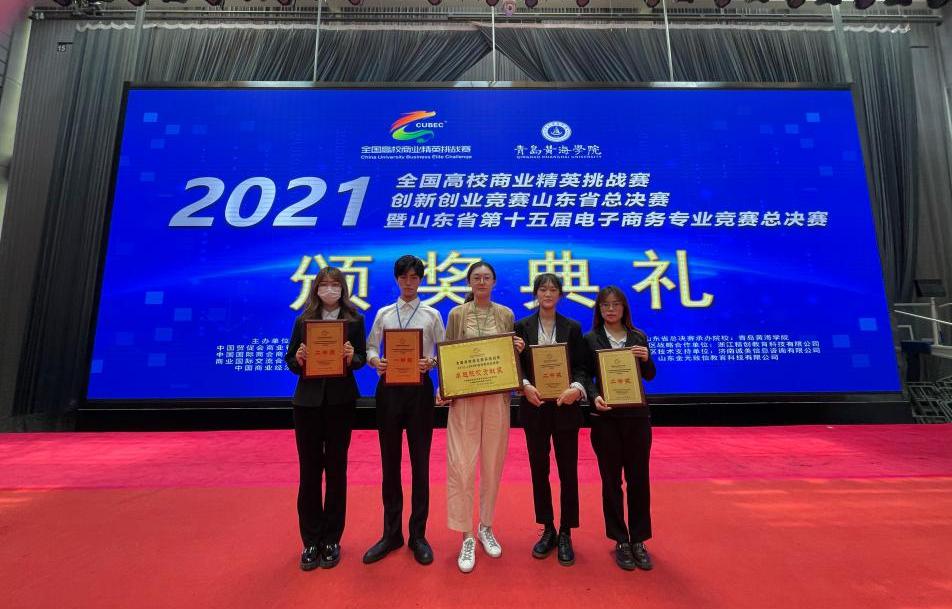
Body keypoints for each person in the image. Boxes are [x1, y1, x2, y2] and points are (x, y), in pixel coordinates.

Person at [440, 260, 524, 573]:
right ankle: (465, 535)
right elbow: (448, 354)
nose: (482, 282)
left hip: (496, 398)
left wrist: (517, 349)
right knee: (462, 465)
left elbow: (509, 358)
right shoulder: (456, 314)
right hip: (464, 398)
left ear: (494, 282)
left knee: (492, 463)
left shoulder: (506, 314)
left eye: (487, 277)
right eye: (477, 277)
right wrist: (445, 388)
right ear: (469, 282)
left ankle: (485, 526)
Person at [362, 255, 445, 566]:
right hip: (389, 391)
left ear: (420, 280)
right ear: (397, 280)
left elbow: (444, 350)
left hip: (420, 391)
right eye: (404, 277)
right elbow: (371, 347)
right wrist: (376, 361)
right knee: (390, 463)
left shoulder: (432, 314)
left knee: (420, 463)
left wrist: (431, 362)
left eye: (414, 277)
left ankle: (418, 535)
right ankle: (391, 533)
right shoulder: (384, 313)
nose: (409, 283)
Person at [285, 266, 367, 571]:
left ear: (343, 288)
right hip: (307, 403)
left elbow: (360, 359)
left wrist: (350, 356)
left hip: (340, 402)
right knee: (309, 472)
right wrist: (299, 359)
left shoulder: (354, 320)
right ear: (316, 288)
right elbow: (290, 360)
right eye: (324, 284)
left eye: (335, 284)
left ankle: (332, 539)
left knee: (335, 470)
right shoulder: (303, 320)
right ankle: (310, 540)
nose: (329, 289)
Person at [513, 273, 588, 566]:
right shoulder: (521, 326)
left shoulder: (573, 327)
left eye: (553, 289)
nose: (547, 293)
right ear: (535, 293)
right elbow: (515, 364)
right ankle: (547, 528)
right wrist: (524, 385)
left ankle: (567, 531)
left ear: (560, 295)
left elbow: (581, 367)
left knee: (568, 472)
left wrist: (576, 388)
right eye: (542, 289)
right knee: (539, 470)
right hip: (534, 408)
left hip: (565, 407)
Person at [582, 286, 657, 572]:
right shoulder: (590, 339)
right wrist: (593, 397)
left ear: (624, 308)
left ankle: (639, 539)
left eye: (615, 305)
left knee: (639, 480)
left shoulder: (638, 337)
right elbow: (583, 375)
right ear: (599, 310)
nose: (611, 309)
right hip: (606, 419)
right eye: (605, 305)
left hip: (637, 418)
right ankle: (620, 540)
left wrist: (646, 358)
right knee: (611, 481)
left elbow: (650, 375)